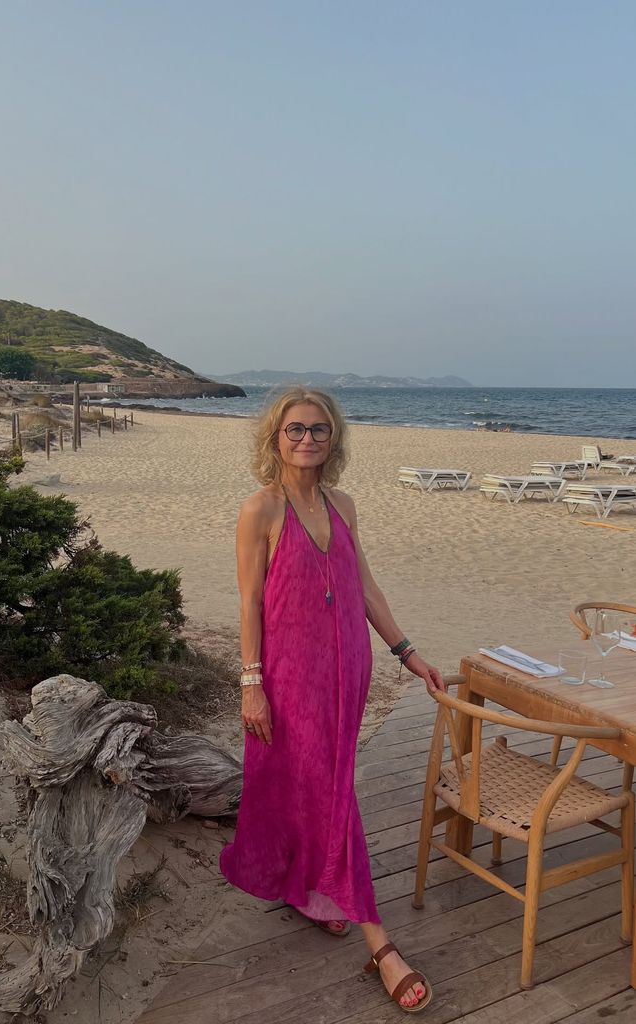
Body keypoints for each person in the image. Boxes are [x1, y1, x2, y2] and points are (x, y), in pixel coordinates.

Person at [219, 387, 444, 1012]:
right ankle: (382, 946)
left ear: (333, 439)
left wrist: (410, 655)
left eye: (319, 430)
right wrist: (251, 682)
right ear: (275, 437)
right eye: (295, 430)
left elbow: (367, 590)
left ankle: (313, 892)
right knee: (329, 790)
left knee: (322, 783)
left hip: (350, 670)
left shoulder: (343, 504)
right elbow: (248, 604)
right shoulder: (260, 509)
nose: (307, 440)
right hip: (289, 678)